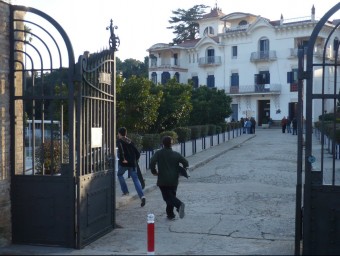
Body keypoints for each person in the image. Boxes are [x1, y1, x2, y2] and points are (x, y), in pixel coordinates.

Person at [150, 136, 189, 220]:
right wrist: (182, 171)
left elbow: (152, 161)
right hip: (174, 180)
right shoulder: (176, 154)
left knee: (167, 197)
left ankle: (179, 205)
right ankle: (170, 214)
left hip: (162, 180)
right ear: (172, 144)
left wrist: (154, 171)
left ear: (163, 144)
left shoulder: (158, 153)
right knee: (171, 196)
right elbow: (186, 162)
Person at [117, 127, 146, 207]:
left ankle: (125, 191)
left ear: (119, 133)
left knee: (119, 174)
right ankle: (142, 196)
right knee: (136, 180)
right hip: (133, 164)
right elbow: (137, 152)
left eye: (118, 133)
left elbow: (121, 150)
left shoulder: (119, 141)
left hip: (125, 163)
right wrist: (134, 160)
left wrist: (123, 159)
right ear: (126, 133)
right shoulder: (130, 141)